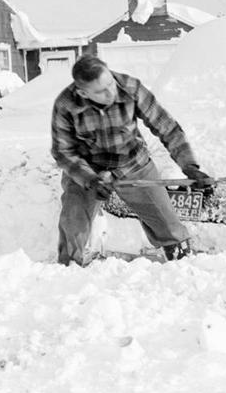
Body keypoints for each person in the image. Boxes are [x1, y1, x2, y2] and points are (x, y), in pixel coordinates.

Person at [50, 54, 213, 266]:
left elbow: (167, 127)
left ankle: (182, 265)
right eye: (101, 91)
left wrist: (189, 166)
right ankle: (68, 269)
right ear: (83, 92)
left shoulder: (130, 87)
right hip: (88, 168)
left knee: (168, 224)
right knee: (73, 222)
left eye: (110, 83)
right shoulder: (66, 104)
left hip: (132, 163)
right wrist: (90, 179)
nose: (111, 92)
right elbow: (63, 151)